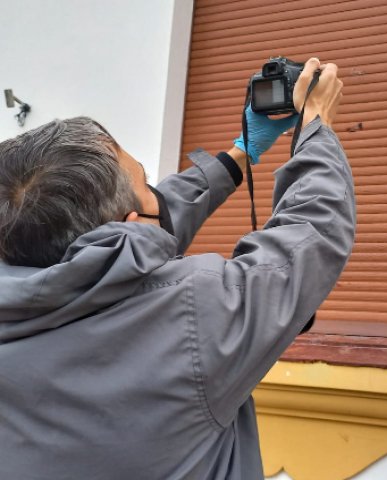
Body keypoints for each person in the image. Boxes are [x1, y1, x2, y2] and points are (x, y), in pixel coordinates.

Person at [0, 58, 356, 479]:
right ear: (129, 228)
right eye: (145, 180)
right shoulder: (194, 317)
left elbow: (132, 231)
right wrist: (316, 127)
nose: (157, 190)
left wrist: (240, 154)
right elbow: (310, 235)